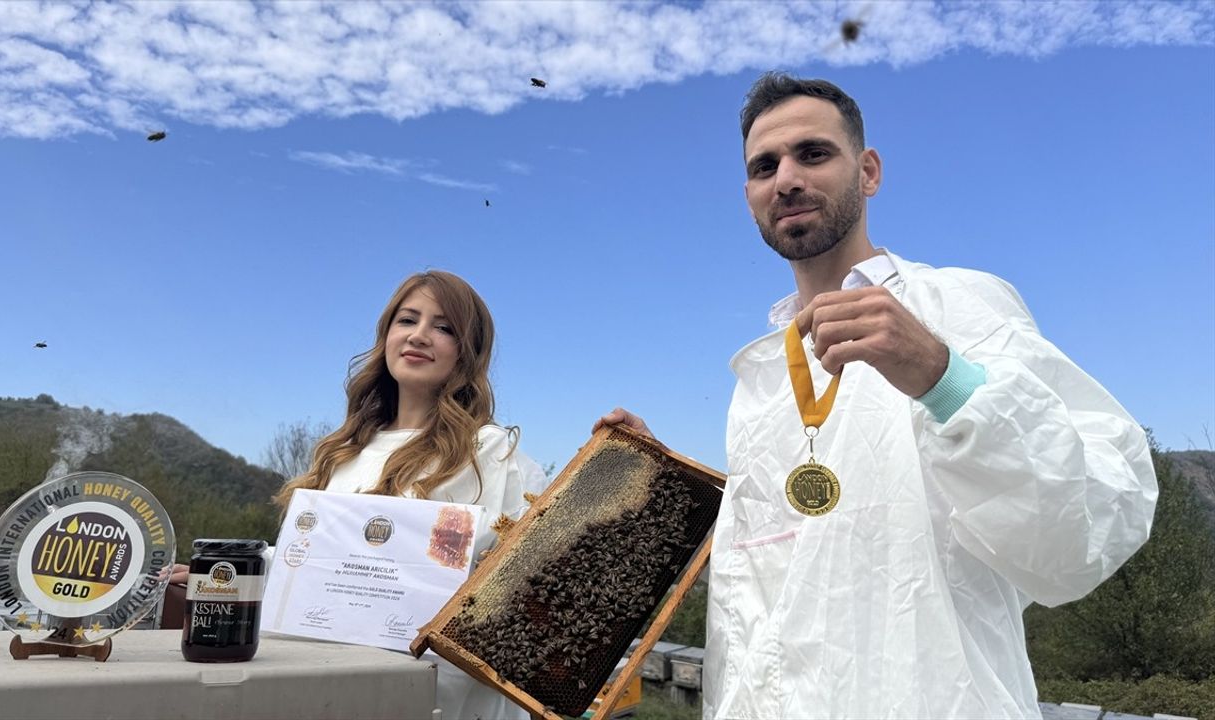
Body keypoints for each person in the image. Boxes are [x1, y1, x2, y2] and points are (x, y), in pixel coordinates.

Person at [596, 74, 1157, 719]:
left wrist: (941, 376)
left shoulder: (958, 307)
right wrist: (659, 483)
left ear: (868, 172)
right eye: (764, 166)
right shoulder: (764, 374)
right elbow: (777, 576)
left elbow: (1087, 535)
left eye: (813, 153)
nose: (786, 179)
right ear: (749, 196)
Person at [173, 270, 546, 720]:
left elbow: (545, 571)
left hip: (445, 699)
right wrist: (232, 575)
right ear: (387, 334)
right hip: (335, 686)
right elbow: (313, 563)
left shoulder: (494, 451)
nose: (420, 335)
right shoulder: (344, 450)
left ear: (469, 352)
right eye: (407, 320)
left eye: (444, 327)